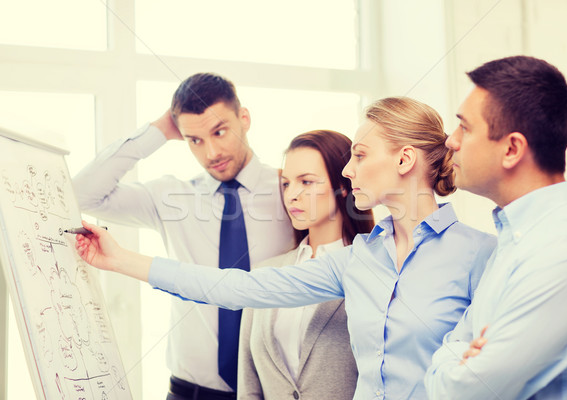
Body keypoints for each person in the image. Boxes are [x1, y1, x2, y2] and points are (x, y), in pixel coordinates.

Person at [75, 96, 497, 399]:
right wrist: (121, 259)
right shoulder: (358, 260)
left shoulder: (482, 256)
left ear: (404, 161)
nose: (349, 170)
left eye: (361, 155)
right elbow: (236, 289)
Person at [72, 73, 294, 400]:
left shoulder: (291, 191)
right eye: (195, 140)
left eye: (220, 131)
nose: (212, 152)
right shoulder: (171, 196)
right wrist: (160, 129)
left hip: (274, 389)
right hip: (190, 392)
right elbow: (84, 194)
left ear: (244, 118)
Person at [423, 55, 567, 399]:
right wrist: (458, 354)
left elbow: (464, 392)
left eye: (465, 127)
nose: (451, 141)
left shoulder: (565, 248)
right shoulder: (517, 237)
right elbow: (456, 343)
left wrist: (455, 359)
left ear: (512, 149)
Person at [237, 130, 374, 400]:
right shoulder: (266, 274)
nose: (292, 195)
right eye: (286, 184)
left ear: (343, 185)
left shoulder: (371, 271)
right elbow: (248, 383)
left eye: (306, 182)